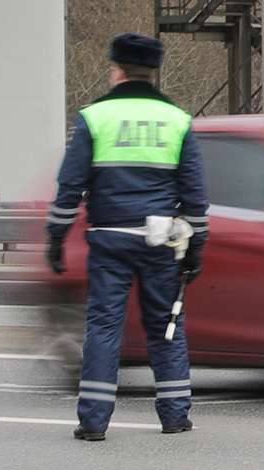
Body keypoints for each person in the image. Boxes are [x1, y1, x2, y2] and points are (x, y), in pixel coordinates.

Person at [45, 33, 208, 441]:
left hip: (110, 239)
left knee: (103, 327)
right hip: (162, 240)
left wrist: (56, 237)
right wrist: (196, 248)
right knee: (166, 324)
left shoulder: (94, 117)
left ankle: (94, 422)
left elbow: (70, 186)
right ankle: (175, 416)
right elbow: (194, 195)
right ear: (153, 71)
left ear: (117, 69)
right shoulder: (177, 120)